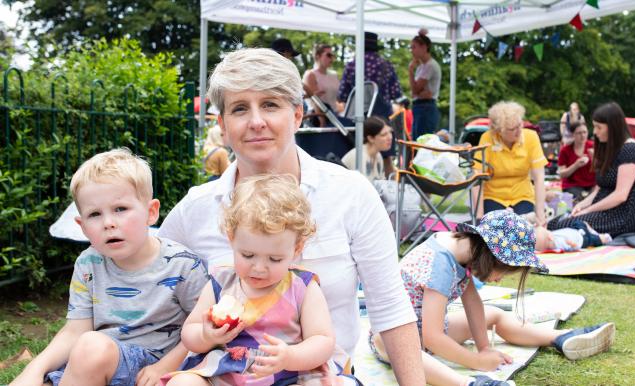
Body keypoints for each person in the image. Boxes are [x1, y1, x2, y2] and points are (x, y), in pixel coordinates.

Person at [157, 48, 425, 385]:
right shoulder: (196, 208)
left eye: (270, 105)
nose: (257, 121)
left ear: (297, 115)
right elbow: (153, 287)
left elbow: (390, 307)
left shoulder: (351, 194)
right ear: (223, 126)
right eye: (240, 108)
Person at [10, 148, 208, 386]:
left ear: (151, 212)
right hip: (99, 361)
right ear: (82, 226)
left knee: (90, 346)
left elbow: (203, 328)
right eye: (95, 214)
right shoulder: (88, 263)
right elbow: (75, 331)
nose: (108, 223)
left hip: (158, 368)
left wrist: (165, 366)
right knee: (83, 350)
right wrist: (34, 369)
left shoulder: (183, 265)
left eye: (120, 209)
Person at [370, 210, 615, 386]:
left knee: (495, 315)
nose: (499, 280)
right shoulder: (440, 263)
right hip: (399, 337)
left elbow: (473, 303)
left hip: (424, 331)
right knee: (398, 347)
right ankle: (467, 383)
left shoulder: (460, 252)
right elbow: (432, 337)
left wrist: (485, 346)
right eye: (503, 271)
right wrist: (475, 361)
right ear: (490, 256)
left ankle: (561, 338)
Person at [164, 174, 354, 385]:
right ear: (231, 238)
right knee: (183, 383)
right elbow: (189, 332)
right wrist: (206, 336)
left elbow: (322, 340)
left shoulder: (302, 286)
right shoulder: (221, 282)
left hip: (288, 374)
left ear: (297, 248)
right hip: (228, 372)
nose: (259, 268)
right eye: (247, 255)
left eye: (275, 259)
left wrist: (290, 357)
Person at [547, 102, 635, 236]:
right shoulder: (609, 148)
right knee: (554, 223)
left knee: (565, 225)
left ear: (612, 127)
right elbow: (601, 189)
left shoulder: (631, 150)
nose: (594, 132)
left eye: (598, 127)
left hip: (623, 216)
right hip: (604, 210)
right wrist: (582, 205)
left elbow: (620, 195)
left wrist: (588, 210)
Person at [472, 101, 548, 226]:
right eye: (512, 129)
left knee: (522, 227)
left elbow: (539, 177)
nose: (519, 131)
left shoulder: (531, 137)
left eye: (519, 125)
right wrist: (479, 217)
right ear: (498, 131)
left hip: (523, 196)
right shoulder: (487, 138)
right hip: (493, 196)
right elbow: (477, 179)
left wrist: (540, 215)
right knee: (498, 227)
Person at [338, 31, 402, 178]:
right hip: (382, 118)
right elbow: (396, 93)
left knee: (360, 155)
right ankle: (387, 194)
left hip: (359, 119)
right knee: (387, 161)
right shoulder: (385, 65)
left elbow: (342, 96)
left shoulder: (352, 65)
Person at [409, 29, 442, 141]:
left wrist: (410, 71)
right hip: (421, 106)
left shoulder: (430, 66)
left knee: (422, 143)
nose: (411, 51)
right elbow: (416, 91)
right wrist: (417, 92)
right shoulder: (421, 67)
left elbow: (415, 90)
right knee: (417, 140)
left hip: (426, 108)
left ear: (424, 47)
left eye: (414, 47)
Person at [341, 116, 393, 182]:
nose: (390, 137)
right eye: (384, 135)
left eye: (390, 132)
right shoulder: (360, 156)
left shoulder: (378, 155)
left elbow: (382, 185)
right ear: (371, 138)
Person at [303, 44, 341, 127]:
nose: (331, 58)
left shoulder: (334, 75)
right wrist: (322, 122)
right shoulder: (311, 74)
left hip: (333, 116)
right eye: (328, 55)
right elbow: (315, 102)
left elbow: (338, 99)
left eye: (332, 55)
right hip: (317, 119)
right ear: (317, 56)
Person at [557, 121, 596, 200]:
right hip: (573, 185)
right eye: (579, 133)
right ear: (573, 134)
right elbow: (562, 174)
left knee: (596, 198)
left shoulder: (594, 146)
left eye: (585, 132)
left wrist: (594, 159)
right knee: (579, 199)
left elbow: (603, 170)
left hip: (592, 184)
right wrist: (576, 165)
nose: (583, 136)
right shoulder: (565, 150)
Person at [534, 221, 612, 252]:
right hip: (582, 239)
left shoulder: (551, 238)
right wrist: (573, 245)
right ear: (549, 237)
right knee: (595, 239)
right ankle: (604, 238)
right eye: (548, 231)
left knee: (579, 223)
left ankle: (593, 232)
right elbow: (571, 247)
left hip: (576, 231)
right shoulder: (559, 243)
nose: (549, 231)